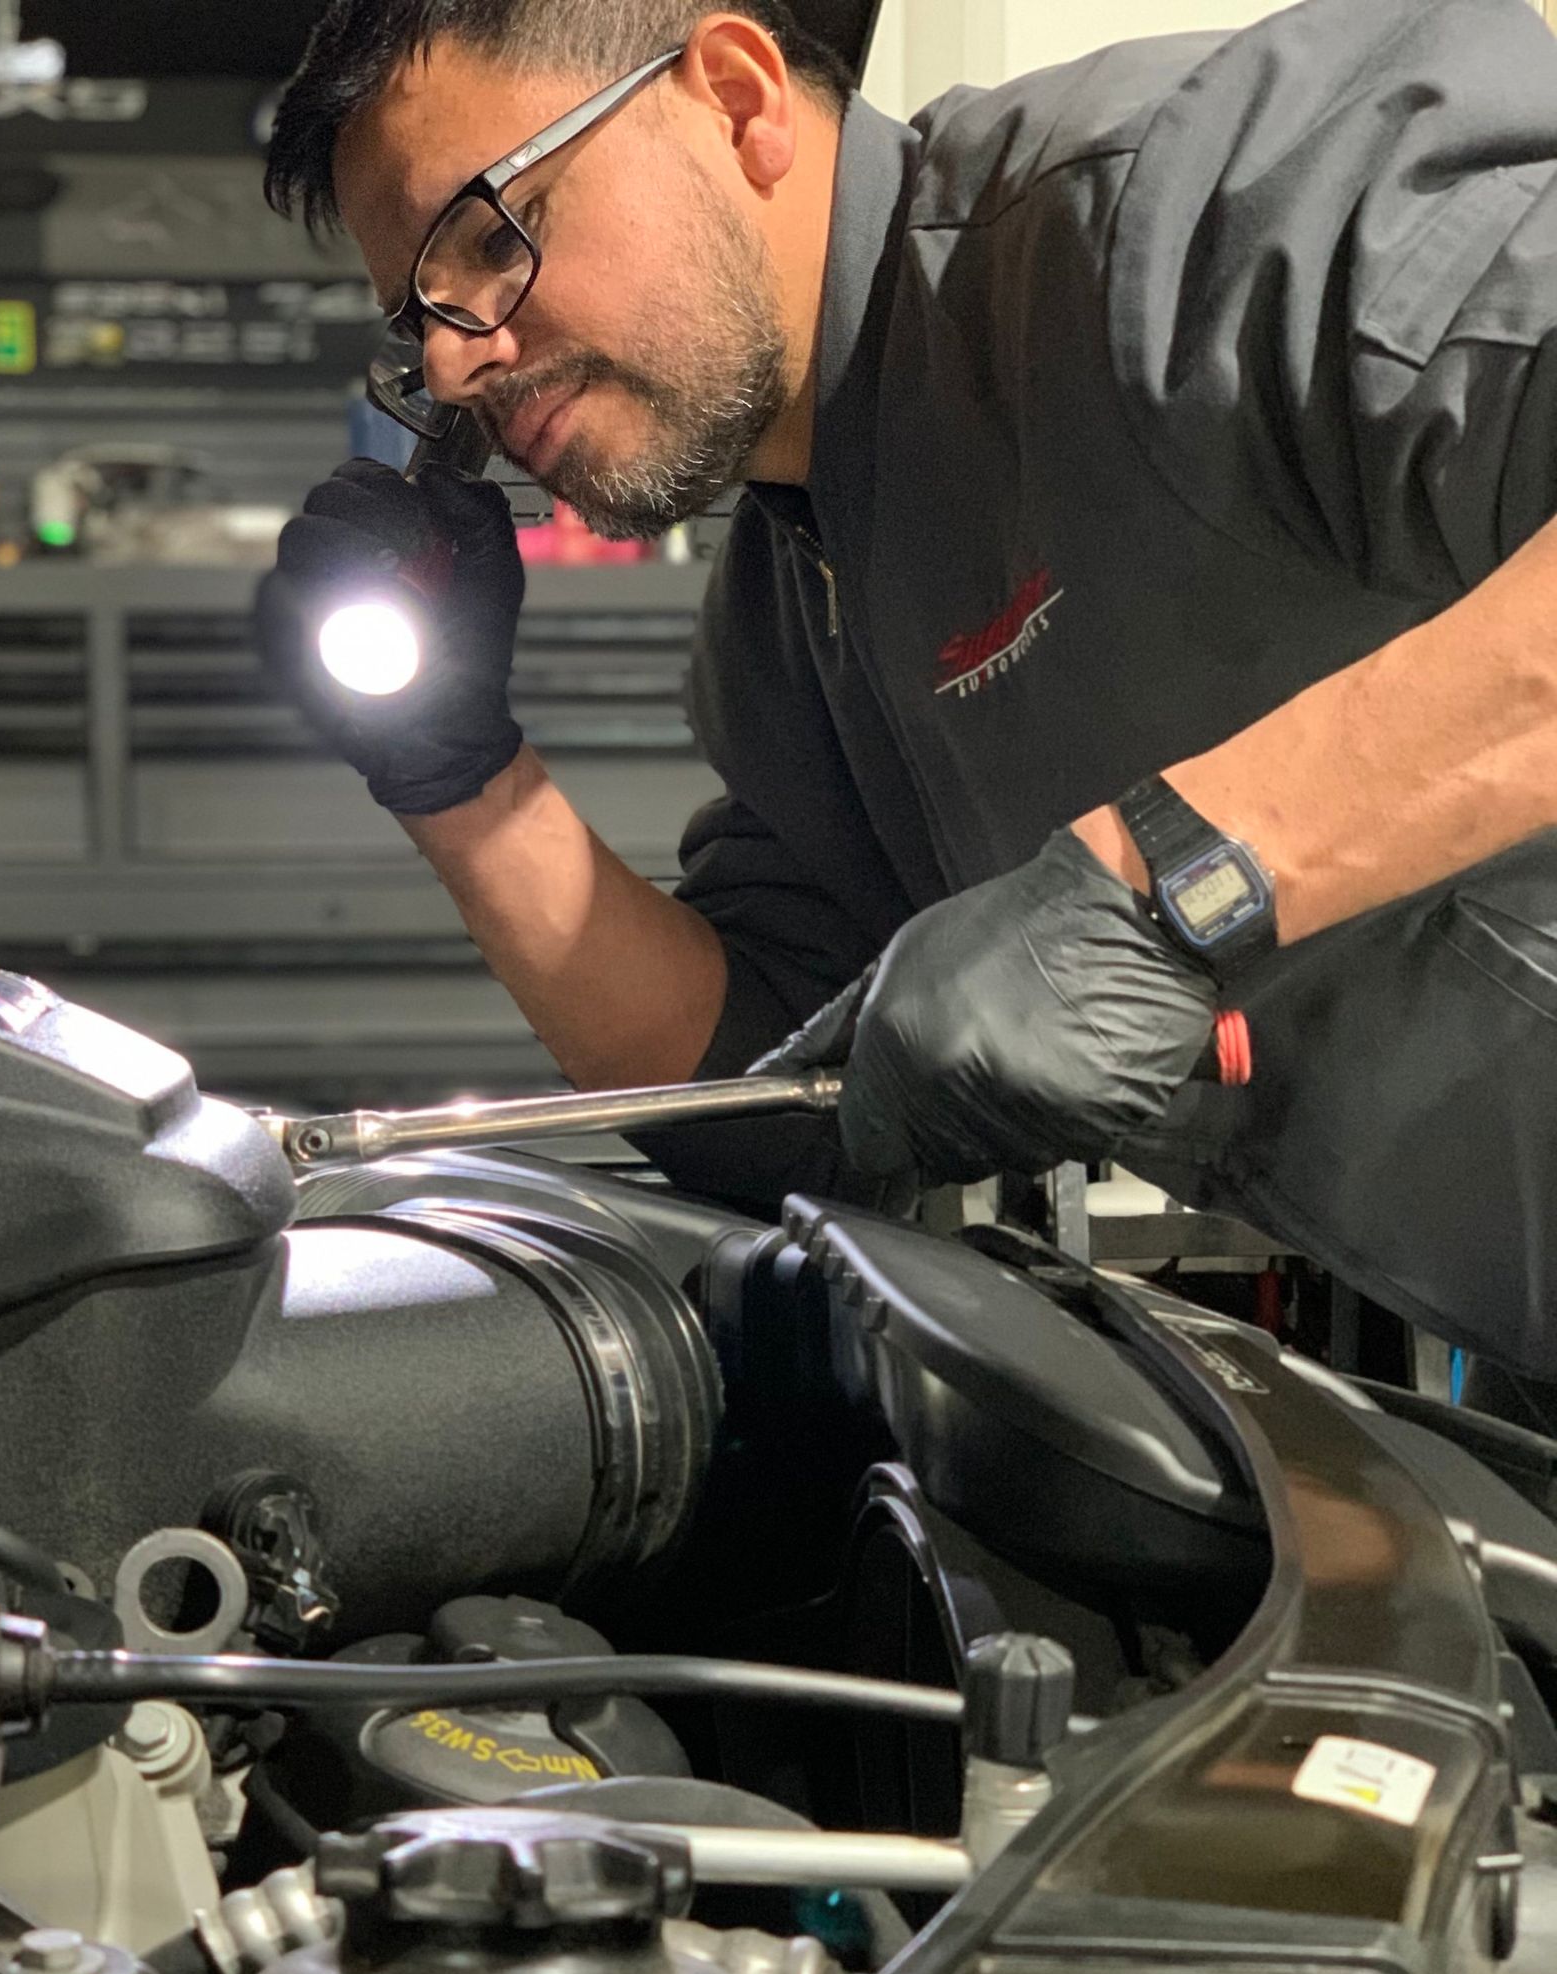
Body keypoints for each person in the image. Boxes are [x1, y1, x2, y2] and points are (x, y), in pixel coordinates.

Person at [263, 0, 1557, 1395]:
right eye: (422, 313)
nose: (456, 354)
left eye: (486, 240)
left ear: (736, 96)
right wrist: (453, 774)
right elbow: (780, 1098)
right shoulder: (784, 614)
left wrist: (1176, 883)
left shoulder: (1194, 205)